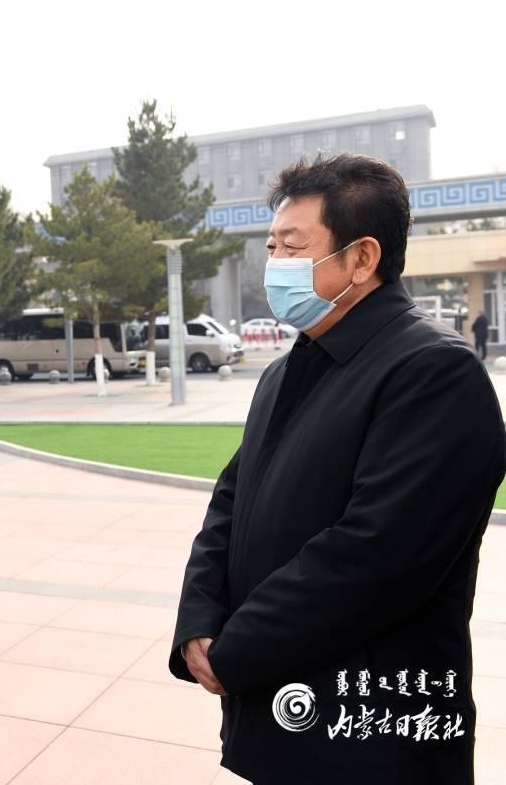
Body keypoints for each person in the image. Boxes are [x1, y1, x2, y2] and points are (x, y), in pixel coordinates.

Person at [170, 154, 506, 784]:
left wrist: (238, 649)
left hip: (370, 736)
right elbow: (233, 501)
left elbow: (376, 557)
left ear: (362, 258)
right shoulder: (290, 368)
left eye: (293, 246)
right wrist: (199, 621)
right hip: (280, 708)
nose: (276, 261)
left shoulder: (433, 372)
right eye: (272, 246)